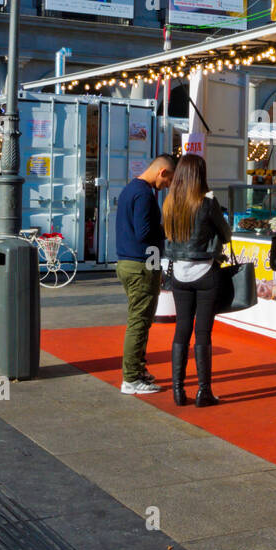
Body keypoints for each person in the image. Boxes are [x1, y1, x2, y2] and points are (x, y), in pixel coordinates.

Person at [162, 154, 231, 407]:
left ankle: (178, 391)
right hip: (204, 271)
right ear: (200, 175)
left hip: (179, 273)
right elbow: (226, 234)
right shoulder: (207, 202)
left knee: (181, 330)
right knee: (203, 332)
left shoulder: (170, 202)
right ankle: (204, 392)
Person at [115, 154, 176, 395]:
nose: (168, 186)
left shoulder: (131, 189)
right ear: (162, 172)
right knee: (139, 322)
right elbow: (144, 232)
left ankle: (137, 370)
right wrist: (166, 231)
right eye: (169, 180)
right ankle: (130, 378)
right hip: (140, 264)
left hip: (131, 262)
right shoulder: (144, 194)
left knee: (139, 320)